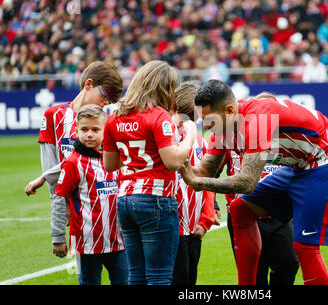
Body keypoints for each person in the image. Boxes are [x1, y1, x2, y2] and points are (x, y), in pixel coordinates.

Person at [180, 79, 328, 285]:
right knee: (239, 211)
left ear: (229, 110)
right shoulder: (225, 124)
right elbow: (205, 171)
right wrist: (177, 163)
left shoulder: (256, 121)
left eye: (209, 120)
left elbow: (246, 183)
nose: (207, 126)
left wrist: (198, 182)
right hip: (300, 164)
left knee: (304, 246)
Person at [102, 60, 197, 285]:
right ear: (163, 88)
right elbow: (173, 161)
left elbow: (110, 165)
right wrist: (191, 133)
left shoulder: (115, 116)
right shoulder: (158, 115)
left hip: (125, 199)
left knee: (136, 274)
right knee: (159, 276)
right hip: (155, 199)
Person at [24, 61, 124, 253]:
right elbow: (50, 162)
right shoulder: (54, 115)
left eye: (110, 101)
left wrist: (43, 177)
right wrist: (61, 203)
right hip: (71, 204)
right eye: (105, 96)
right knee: (86, 269)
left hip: (101, 204)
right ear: (89, 85)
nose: (106, 103)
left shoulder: (104, 123)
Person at [25, 105, 128, 285]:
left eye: (95, 130)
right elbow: (59, 197)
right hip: (87, 242)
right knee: (89, 282)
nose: (89, 134)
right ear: (76, 131)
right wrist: (58, 238)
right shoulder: (73, 163)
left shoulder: (115, 158)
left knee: (124, 282)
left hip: (118, 239)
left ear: (106, 131)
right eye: (84, 129)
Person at [218, 92, 299, 285]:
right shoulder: (231, 138)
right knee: (255, 274)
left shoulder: (283, 138)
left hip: (278, 214)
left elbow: (296, 172)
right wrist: (212, 203)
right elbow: (212, 171)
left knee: (289, 263)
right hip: (244, 214)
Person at [171, 81, 216, 285]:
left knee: (190, 279)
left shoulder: (202, 142)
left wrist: (205, 221)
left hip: (194, 228)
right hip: (171, 226)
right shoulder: (166, 136)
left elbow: (207, 182)